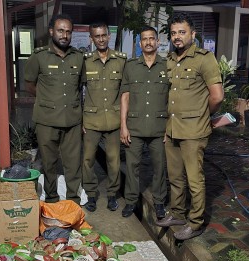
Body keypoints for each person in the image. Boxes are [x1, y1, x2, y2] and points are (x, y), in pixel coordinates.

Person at [155, 12, 224, 240]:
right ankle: (177, 213)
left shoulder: (204, 58)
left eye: (182, 32)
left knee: (194, 179)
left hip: (194, 131)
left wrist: (204, 117)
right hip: (173, 129)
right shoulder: (171, 59)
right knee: (174, 177)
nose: (177, 37)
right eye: (174, 33)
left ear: (192, 34)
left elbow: (217, 97)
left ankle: (196, 223)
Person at [23, 14, 85, 204]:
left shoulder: (79, 57)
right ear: (51, 32)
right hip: (47, 120)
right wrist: (48, 100)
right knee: (49, 164)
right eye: (60, 30)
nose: (64, 35)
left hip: (72, 120)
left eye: (68, 31)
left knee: (73, 164)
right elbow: (29, 84)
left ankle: (73, 201)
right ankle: (51, 199)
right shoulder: (39, 56)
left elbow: (80, 86)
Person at [119, 26, 170, 218]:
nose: (148, 42)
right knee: (132, 166)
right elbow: (125, 96)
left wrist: (169, 127)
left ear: (157, 42)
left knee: (159, 166)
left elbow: (171, 98)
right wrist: (123, 126)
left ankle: (159, 202)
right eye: (144, 39)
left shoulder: (166, 66)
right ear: (139, 44)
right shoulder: (131, 66)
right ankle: (131, 201)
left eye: (151, 38)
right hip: (135, 126)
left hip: (159, 127)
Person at [82, 22, 126, 212]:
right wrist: (81, 119)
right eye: (96, 36)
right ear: (91, 39)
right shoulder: (85, 61)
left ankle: (111, 195)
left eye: (103, 35)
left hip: (114, 120)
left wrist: (125, 122)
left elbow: (126, 92)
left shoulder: (121, 60)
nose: (100, 39)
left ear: (109, 36)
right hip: (91, 120)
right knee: (87, 160)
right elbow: (77, 90)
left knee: (114, 161)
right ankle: (91, 194)